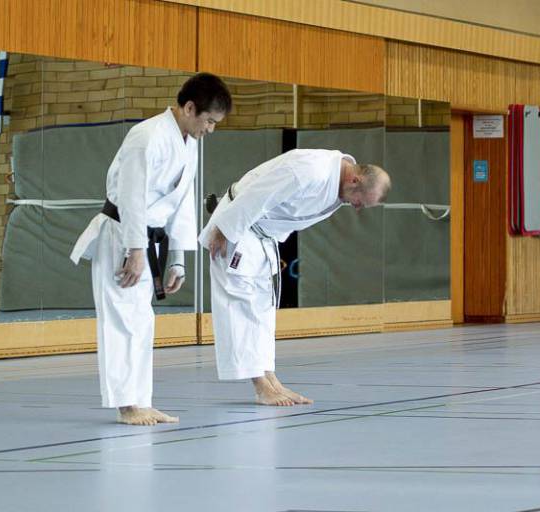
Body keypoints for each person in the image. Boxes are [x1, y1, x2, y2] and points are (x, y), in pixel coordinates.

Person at [70, 73, 232, 425]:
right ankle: (127, 405)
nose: (210, 130)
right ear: (189, 108)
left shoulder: (188, 143)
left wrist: (178, 259)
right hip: (123, 236)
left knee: (141, 321)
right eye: (209, 121)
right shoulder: (147, 137)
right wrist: (135, 250)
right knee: (121, 319)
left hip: (148, 240)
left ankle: (140, 400)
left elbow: (182, 201)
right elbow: (131, 197)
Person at [199, 149, 391, 406]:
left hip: (261, 236)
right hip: (238, 226)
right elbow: (259, 193)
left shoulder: (337, 185)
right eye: (360, 202)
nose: (357, 208)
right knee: (240, 304)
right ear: (354, 180)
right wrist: (224, 229)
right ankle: (261, 387)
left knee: (262, 309)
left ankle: (271, 380)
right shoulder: (311, 169)